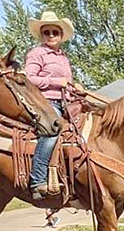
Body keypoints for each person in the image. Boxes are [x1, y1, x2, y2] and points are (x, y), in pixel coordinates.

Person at [24, 10, 82, 199]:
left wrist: (76, 89)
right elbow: (29, 79)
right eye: (46, 32)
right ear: (41, 35)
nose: (50, 36)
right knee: (51, 132)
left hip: (64, 102)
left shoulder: (63, 57)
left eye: (54, 32)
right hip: (44, 102)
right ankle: (38, 180)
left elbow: (66, 84)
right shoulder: (37, 53)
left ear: (61, 35)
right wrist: (56, 81)